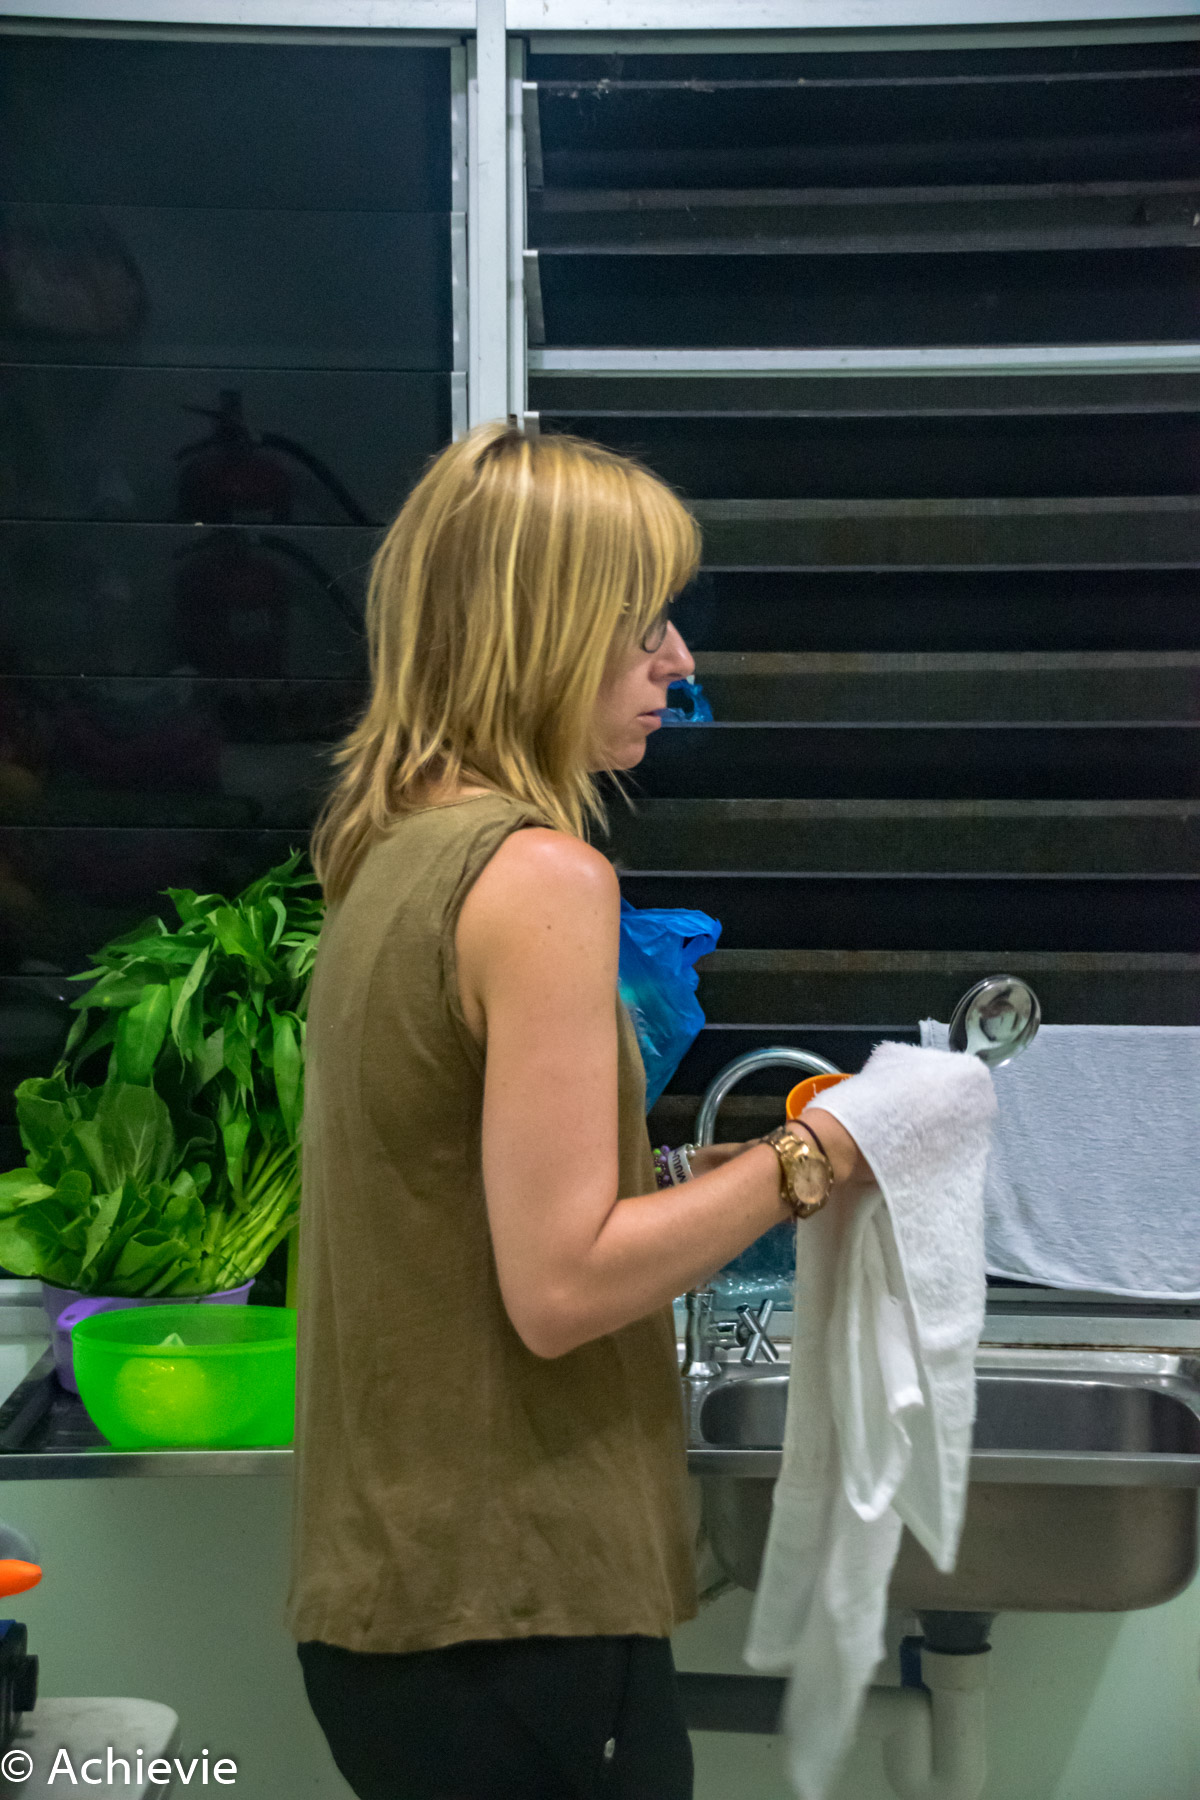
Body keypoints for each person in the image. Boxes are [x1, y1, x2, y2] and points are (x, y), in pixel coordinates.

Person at [286, 421, 872, 1800]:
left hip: (406, 1603)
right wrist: (815, 1154)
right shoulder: (542, 878)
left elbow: (461, 1198)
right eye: (645, 621)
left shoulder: (389, 852)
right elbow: (562, 1287)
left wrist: (701, 1167)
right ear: (542, 629)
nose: (680, 661)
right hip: (513, 1600)